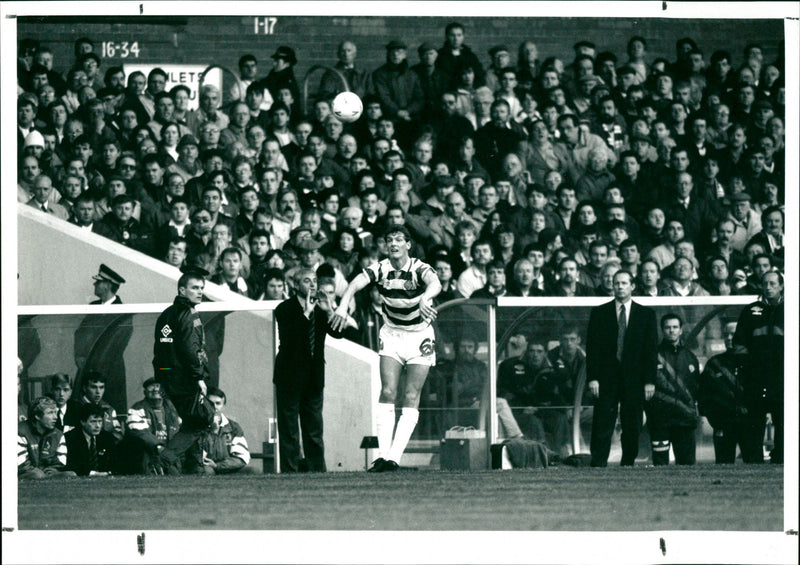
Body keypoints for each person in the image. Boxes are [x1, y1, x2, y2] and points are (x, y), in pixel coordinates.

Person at [332, 225, 441, 472]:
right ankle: (382, 457)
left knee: (411, 395)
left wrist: (426, 297)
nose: (393, 244)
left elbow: (435, 283)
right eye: (389, 239)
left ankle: (394, 457)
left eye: (398, 240)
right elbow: (357, 281)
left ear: (408, 245)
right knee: (389, 391)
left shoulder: (418, 267)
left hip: (419, 336)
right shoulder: (381, 268)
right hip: (392, 334)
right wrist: (343, 303)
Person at [273, 268, 343, 473]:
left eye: (314, 281)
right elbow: (290, 338)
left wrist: (329, 309)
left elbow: (338, 333)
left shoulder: (321, 309)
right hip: (289, 377)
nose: (313, 285)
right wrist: (307, 313)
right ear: (296, 285)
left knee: (314, 430)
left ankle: (316, 471)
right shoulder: (284, 308)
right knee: (289, 430)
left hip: (313, 377)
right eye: (307, 281)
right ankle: (290, 471)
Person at [586, 270, 657, 466]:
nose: (619, 286)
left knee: (632, 423)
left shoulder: (646, 314)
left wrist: (650, 380)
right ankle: (598, 463)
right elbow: (592, 349)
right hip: (606, 377)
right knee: (602, 422)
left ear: (632, 286)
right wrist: (593, 378)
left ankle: (628, 462)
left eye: (624, 283)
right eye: (616, 283)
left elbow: (651, 351)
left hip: (634, 378)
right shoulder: (599, 313)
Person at [152, 266, 212, 475]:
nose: (199, 292)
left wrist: (163, 376)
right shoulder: (189, 314)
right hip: (185, 379)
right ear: (181, 291)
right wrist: (198, 377)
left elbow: (160, 351)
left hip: (168, 377)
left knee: (191, 420)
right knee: (204, 418)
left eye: (201, 288)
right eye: (194, 287)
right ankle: (163, 460)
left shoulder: (166, 315)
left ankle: (194, 467)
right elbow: (190, 349)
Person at [733, 271, 784, 464]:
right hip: (756, 378)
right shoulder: (750, 311)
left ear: (781, 286)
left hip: (783, 379)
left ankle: (781, 460)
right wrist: (746, 367)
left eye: (772, 283)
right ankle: (753, 462)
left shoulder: (791, 309)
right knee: (753, 423)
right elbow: (739, 343)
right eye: (765, 283)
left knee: (783, 421)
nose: (768, 287)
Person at [698, 322, 755, 464]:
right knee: (723, 467)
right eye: (726, 334)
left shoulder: (754, 362)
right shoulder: (714, 363)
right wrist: (714, 419)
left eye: (733, 334)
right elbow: (704, 395)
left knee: (754, 466)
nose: (729, 338)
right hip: (723, 424)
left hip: (749, 423)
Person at [647, 314, 700, 466]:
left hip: (685, 421)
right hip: (660, 420)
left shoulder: (690, 357)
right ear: (662, 330)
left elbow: (695, 388)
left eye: (675, 327)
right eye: (668, 327)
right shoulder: (652, 356)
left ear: (681, 330)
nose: (671, 331)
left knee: (687, 465)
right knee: (660, 465)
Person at [118, 377, 182, 475]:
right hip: (147, 459)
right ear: (145, 392)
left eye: (158, 386)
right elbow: (140, 433)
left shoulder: (173, 410)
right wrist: (159, 447)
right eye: (151, 386)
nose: (156, 389)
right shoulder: (137, 409)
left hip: (169, 458)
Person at [18, 397, 77, 479]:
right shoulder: (20, 432)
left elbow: (60, 461)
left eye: (55, 412)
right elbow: (21, 465)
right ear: (37, 416)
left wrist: (53, 470)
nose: (55, 417)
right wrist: (40, 472)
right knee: (37, 475)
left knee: (71, 474)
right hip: (25, 473)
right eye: (50, 413)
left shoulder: (58, 434)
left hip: (46, 473)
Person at [203, 387, 252, 474]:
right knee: (207, 471)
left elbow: (242, 457)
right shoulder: (196, 425)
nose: (214, 407)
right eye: (210, 404)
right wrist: (212, 429)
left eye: (218, 403)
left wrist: (218, 466)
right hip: (206, 467)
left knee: (253, 471)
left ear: (223, 406)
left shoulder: (233, 427)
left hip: (226, 468)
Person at [65, 402, 119, 476]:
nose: (97, 426)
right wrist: (94, 474)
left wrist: (108, 472)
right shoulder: (70, 438)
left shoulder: (107, 437)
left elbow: (114, 462)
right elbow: (74, 465)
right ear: (82, 422)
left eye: (100, 421)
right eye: (93, 422)